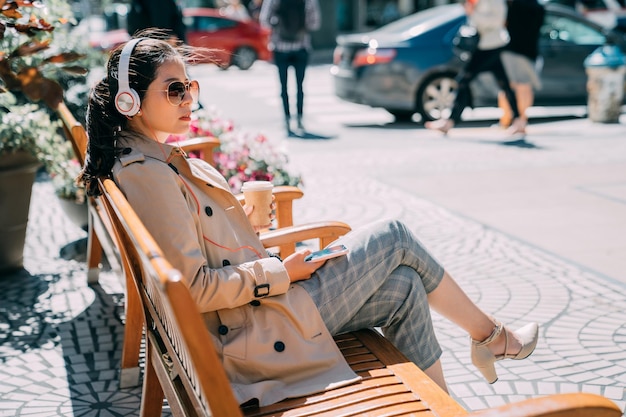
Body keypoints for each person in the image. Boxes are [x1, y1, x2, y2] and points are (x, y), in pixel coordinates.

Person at [78, 32, 539, 408]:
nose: (187, 99)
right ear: (129, 100)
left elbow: (196, 250)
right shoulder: (149, 174)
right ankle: (492, 337)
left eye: (190, 87)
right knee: (395, 236)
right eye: (174, 89)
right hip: (247, 338)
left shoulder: (146, 159)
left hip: (251, 318)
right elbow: (194, 289)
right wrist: (283, 271)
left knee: (404, 287)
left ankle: (445, 405)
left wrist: (246, 234)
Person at [425, 0, 526, 136]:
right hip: (486, 45)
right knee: (504, 84)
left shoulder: (497, 2)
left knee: (463, 81)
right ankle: (519, 121)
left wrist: (473, 12)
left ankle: (449, 121)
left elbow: (496, 21)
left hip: (489, 47)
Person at [259, 0, 321, 136]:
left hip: (280, 47)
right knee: (300, 86)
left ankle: (287, 119)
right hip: (302, 46)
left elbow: (264, 20)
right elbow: (315, 23)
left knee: (283, 87)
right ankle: (299, 118)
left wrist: (278, 24)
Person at [497, 0, 545, 130]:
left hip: (512, 50)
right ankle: (522, 119)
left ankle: (507, 120)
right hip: (531, 51)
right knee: (525, 87)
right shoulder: (538, 7)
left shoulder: (512, 5)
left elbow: (503, 24)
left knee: (509, 87)